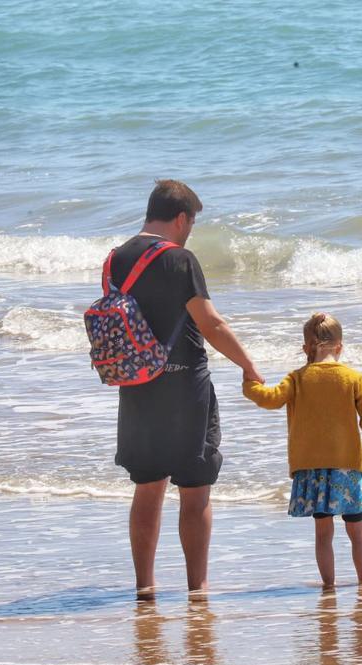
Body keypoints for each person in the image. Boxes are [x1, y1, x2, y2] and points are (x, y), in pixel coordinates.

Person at [109, 180, 263, 598]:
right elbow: (210, 323)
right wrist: (248, 365)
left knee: (147, 487)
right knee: (194, 490)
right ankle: (197, 587)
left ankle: (145, 586)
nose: (190, 231)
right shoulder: (180, 259)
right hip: (184, 388)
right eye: (191, 223)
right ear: (181, 218)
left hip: (137, 385)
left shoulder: (115, 259)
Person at [242, 313, 362, 588]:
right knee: (357, 531)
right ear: (340, 346)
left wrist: (250, 383)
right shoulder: (353, 378)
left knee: (323, 533)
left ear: (307, 346)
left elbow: (269, 399)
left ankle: (329, 587)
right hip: (347, 467)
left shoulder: (297, 379)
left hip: (312, 469)